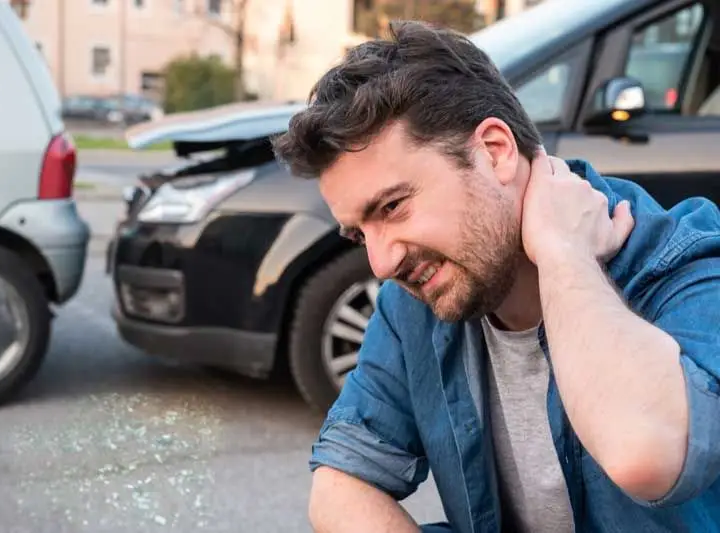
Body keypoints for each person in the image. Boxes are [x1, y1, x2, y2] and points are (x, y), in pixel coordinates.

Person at [271, 20, 720, 533]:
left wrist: (564, 255)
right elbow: (339, 486)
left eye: (393, 206)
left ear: (494, 151)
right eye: (359, 234)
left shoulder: (684, 259)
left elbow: (646, 453)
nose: (380, 264)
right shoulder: (416, 305)